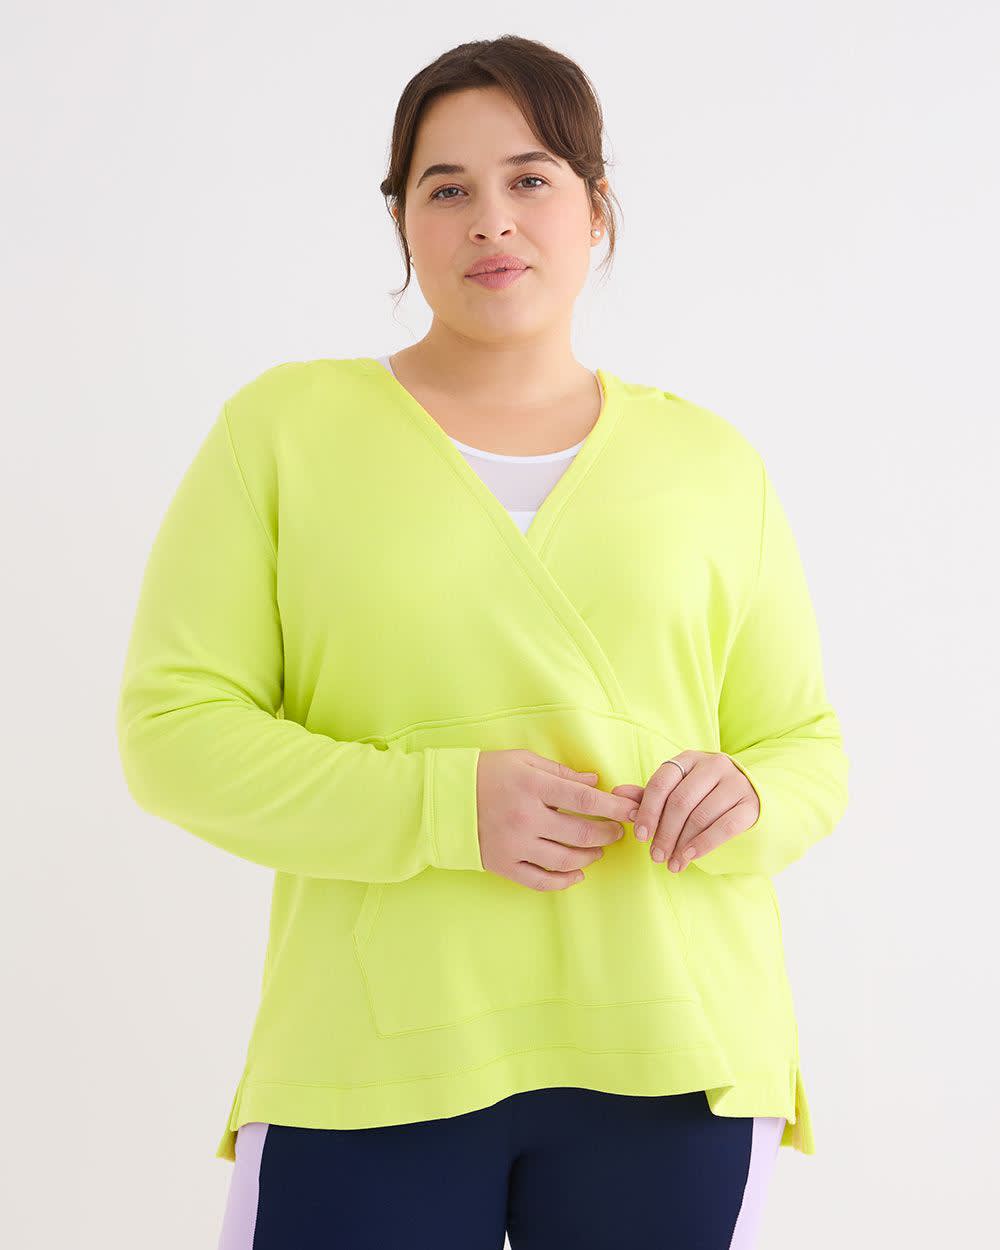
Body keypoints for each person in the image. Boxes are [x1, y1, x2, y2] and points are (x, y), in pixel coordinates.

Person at [117, 34, 848, 1250]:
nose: (490, 219)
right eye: (445, 187)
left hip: (675, 1048)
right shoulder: (284, 431)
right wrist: (443, 806)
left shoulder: (712, 462)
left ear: (595, 207)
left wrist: (746, 795)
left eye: (530, 178)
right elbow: (172, 732)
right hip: (368, 1055)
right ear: (400, 219)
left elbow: (804, 746)